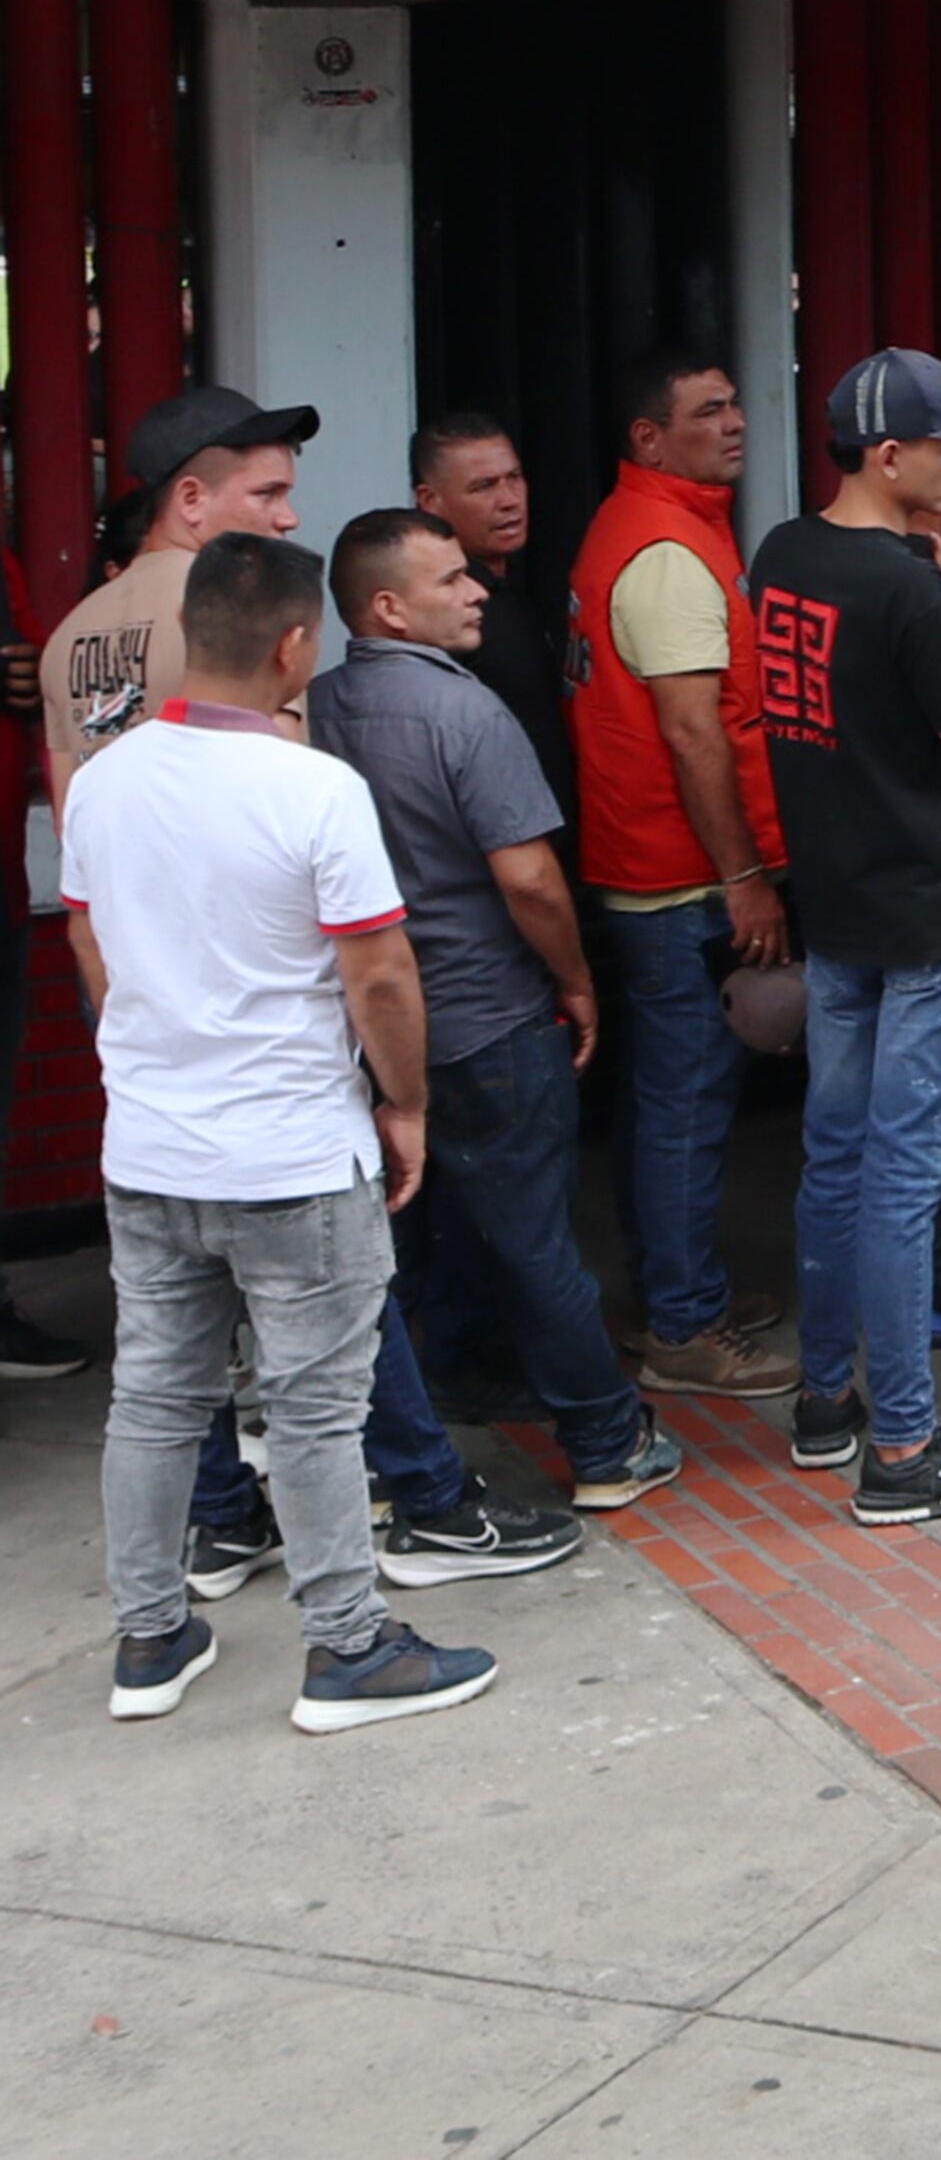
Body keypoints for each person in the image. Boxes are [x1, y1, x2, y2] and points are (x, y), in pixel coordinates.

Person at [71, 531, 509, 1734]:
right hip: (293, 1155)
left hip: (149, 1151)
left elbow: (91, 942)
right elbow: (379, 978)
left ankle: (150, 1638)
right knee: (317, 1408)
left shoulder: (104, 779)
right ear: (295, 646)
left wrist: (160, 1055)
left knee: (155, 1399)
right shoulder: (313, 789)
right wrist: (405, 1103)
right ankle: (348, 1649)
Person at [311, 511, 676, 1518]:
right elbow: (531, 882)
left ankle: (455, 1381)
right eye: (451, 579)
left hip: (373, 1030)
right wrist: (574, 978)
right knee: (533, 1240)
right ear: (388, 606)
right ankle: (605, 1439)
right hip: (484, 1015)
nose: (477, 591)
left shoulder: (316, 710)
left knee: (407, 1238)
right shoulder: (465, 715)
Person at [753, 349, 941, 1529]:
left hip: (841, 904)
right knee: (902, 1175)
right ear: (889, 458)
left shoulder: (783, 554)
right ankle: (904, 1446)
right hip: (930, 909)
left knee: (838, 1154)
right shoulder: (909, 589)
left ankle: (827, 1400)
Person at [568, 353, 801, 1401]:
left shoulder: (661, 524)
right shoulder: (664, 549)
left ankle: (670, 1291)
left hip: (655, 865)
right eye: (707, 411)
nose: (736, 421)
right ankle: (685, 1326)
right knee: (685, 1109)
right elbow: (693, 732)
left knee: (664, 1103)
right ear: (648, 440)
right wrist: (744, 874)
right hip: (678, 880)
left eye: (734, 402)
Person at [42, 382, 322, 790]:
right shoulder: (245, 603)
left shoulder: (68, 634)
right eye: (267, 494)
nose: (289, 518)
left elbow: (69, 819)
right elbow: (285, 794)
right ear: (191, 499)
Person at [404, 412, 572, 809]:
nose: (509, 500)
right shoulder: (442, 611)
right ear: (430, 501)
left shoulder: (516, 590)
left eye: (514, 478)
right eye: (483, 487)